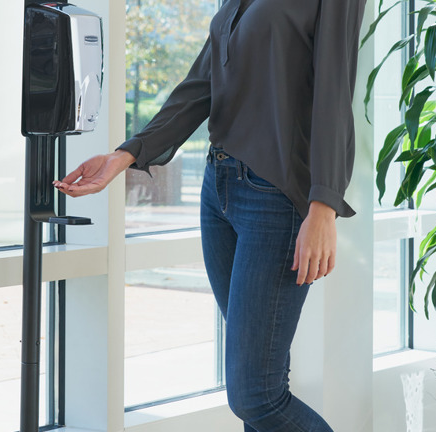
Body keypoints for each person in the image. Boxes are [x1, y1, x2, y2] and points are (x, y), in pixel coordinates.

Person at [53, 0, 367, 430]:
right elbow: (202, 83)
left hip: (275, 201)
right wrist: (125, 154)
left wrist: (324, 205)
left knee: (257, 396)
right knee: (262, 380)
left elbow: (334, 91)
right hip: (218, 191)